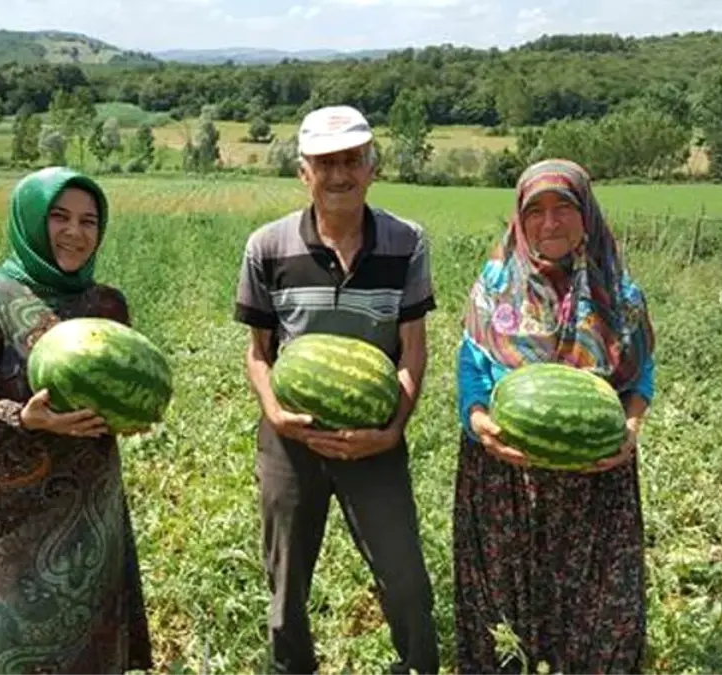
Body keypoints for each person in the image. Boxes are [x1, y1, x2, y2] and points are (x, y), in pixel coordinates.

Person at [233, 105, 441, 675]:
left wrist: (391, 430)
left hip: (376, 434)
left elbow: (413, 349)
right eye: (326, 163)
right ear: (305, 172)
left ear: (371, 168)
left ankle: (418, 667)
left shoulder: (407, 243)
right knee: (286, 585)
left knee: (405, 579)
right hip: (289, 437)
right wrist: (275, 412)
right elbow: (259, 353)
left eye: (352, 160)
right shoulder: (267, 247)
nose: (340, 174)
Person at [0, 167, 153, 673]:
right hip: (2, 514)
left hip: (88, 508)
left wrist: (131, 414)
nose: (75, 232)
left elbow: (117, 387)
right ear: (30, 220)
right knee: (8, 642)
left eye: (89, 221)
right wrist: (22, 418)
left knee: (90, 641)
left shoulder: (106, 303)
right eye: (59, 217)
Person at [452, 159, 657, 674]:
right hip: (505, 478)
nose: (550, 223)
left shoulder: (620, 292)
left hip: (596, 481)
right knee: (506, 607)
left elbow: (641, 376)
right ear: (519, 220)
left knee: (600, 609)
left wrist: (630, 426)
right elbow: (471, 364)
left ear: (586, 213)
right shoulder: (496, 284)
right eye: (535, 211)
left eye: (564, 207)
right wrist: (477, 419)